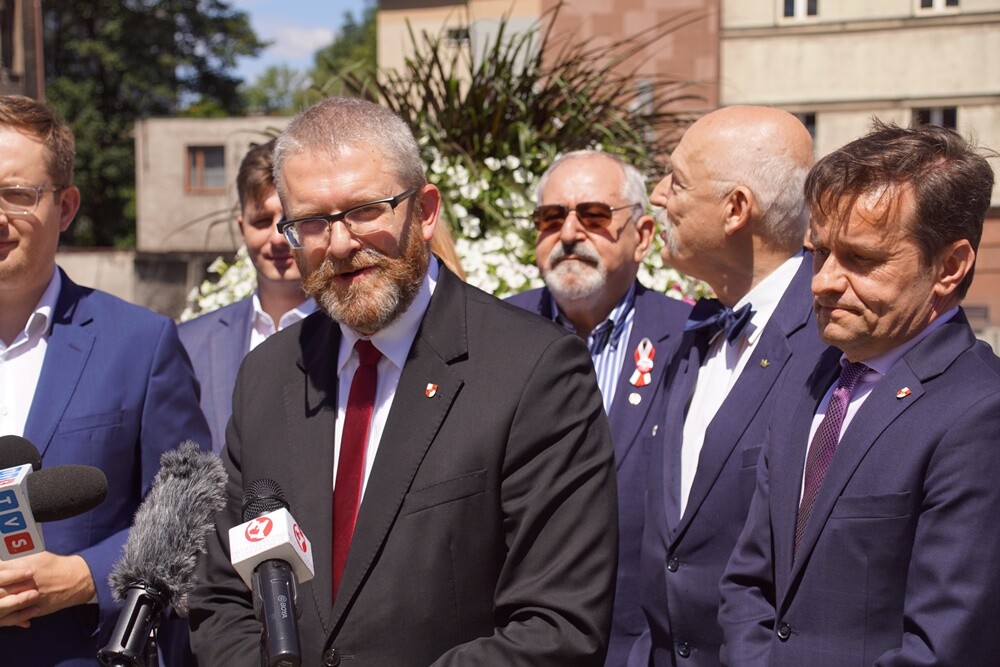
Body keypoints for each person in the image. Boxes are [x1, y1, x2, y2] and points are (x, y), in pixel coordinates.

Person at [188, 96, 618, 666]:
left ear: (426, 210)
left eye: (366, 209)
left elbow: (559, 625)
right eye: (312, 221)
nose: (340, 244)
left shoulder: (533, 370)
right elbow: (221, 598)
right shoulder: (268, 376)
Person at [718, 121, 1000, 665]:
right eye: (819, 253)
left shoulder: (979, 414)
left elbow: (949, 643)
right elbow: (747, 584)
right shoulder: (811, 378)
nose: (822, 281)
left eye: (861, 259)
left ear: (950, 266)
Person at [0, 95, 210, 664]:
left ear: (65, 207)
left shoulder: (140, 345)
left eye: (16, 194)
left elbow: (192, 508)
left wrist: (85, 575)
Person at [635, 105, 827, 666]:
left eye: (677, 180)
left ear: (736, 208)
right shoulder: (693, 335)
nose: (656, 195)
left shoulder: (832, 348)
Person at [506, 149, 691, 665]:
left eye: (593, 217)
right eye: (550, 218)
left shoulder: (691, 341)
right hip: (517, 641)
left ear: (644, 236)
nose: (568, 234)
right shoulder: (493, 334)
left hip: (643, 643)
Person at [179, 140, 317, 454]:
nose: (277, 238)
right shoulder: (188, 345)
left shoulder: (355, 335)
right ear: (242, 228)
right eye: (261, 221)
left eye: (289, 220)